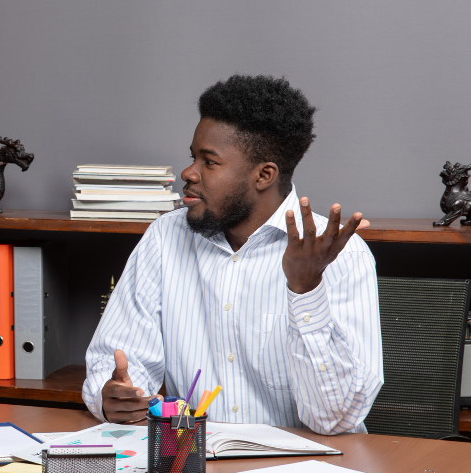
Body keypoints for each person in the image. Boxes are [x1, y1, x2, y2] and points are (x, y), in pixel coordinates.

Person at [83, 74, 383, 435]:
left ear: (264, 175)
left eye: (209, 162)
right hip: (192, 464)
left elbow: (335, 419)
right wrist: (113, 396)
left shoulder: (340, 254)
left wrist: (305, 291)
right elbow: (119, 364)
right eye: (192, 157)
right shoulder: (165, 237)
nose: (188, 173)